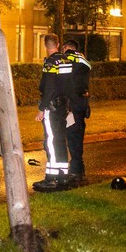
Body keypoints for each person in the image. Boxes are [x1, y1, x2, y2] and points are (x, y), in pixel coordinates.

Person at [33, 33, 73, 192]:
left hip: (52, 107)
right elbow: (70, 86)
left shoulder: (50, 62)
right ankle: (63, 177)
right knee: (60, 140)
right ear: (57, 44)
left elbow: (49, 87)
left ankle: (52, 179)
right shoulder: (66, 61)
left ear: (45, 45)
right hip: (63, 105)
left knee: (51, 141)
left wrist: (42, 108)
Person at [61, 39, 92, 186]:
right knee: (77, 136)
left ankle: (76, 172)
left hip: (72, 104)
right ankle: (79, 169)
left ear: (67, 47)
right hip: (81, 102)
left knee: (73, 137)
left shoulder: (69, 58)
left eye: (64, 48)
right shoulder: (83, 60)